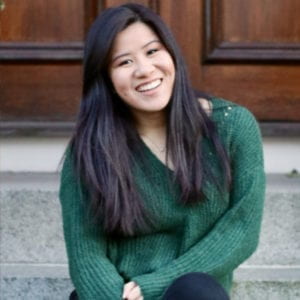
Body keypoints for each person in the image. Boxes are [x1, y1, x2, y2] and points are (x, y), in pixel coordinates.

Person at [59, 3, 265, 300]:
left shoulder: (232, 126)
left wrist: (155, 283)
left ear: (171, 54)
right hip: (117, 294)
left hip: (191, 291)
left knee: (196, 291)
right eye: (123, 62)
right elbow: (86, 256)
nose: (144, 70)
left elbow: (241, 230)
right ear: (105, 79)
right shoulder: (90, 150)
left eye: (153, 51)